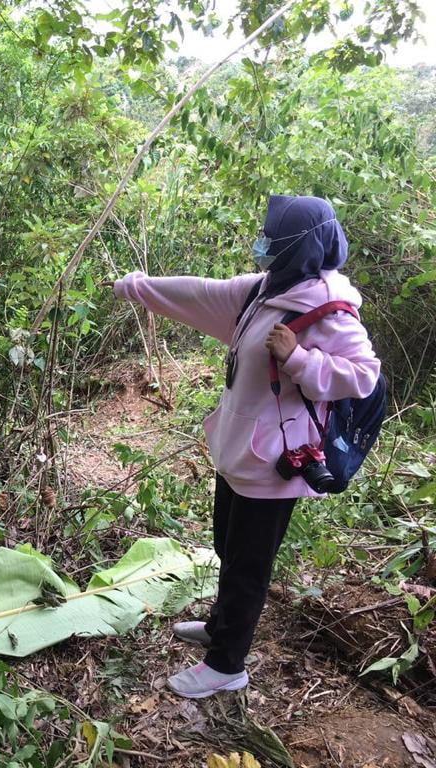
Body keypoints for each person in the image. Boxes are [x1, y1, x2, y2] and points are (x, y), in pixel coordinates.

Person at [112, 195, 381, 699]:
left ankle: (226, 664)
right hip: (239, 451)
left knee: (248, 567)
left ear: (301, 246)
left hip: (275, 465)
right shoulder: (265, 290)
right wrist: (136, 287)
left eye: (273, 239)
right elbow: (199, 292)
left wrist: (299, 359)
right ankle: (220, 626)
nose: (263, 245)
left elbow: (364, 376)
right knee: (227, 548)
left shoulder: (329, 310)